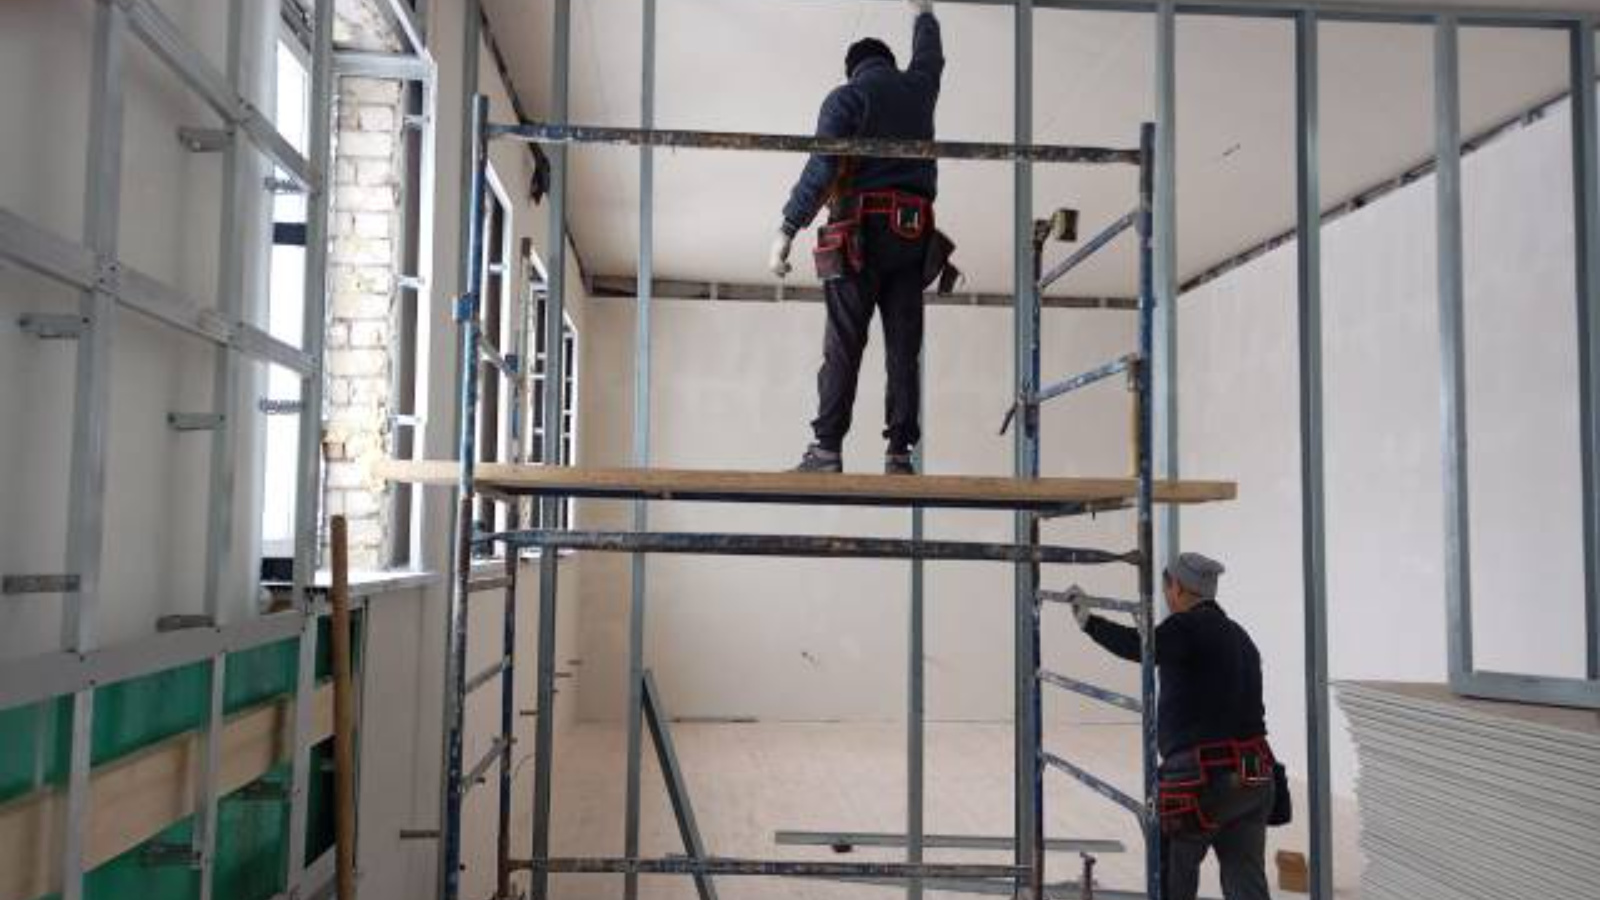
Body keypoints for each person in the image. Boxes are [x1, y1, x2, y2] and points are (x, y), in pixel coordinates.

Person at [768, 0, 951, 476]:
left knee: (844, 344)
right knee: (903, 350)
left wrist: (788, 227)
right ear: (889, 61)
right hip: (912, 235)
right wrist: (924, 14)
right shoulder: (919, 88)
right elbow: (930, 57)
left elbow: (822, 165)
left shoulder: (848, 97)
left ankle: (827, 451)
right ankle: (900, 455)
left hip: (858, 235)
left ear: (853, 69)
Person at [1067, 553, 1275, 900]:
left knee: (1172, 881)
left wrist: (1090, 622)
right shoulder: (1241, 637)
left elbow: (1141, 646)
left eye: (1167, 588)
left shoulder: (1186, 627)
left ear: (1176, 587)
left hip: (1202, 779)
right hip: (1253, 774)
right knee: (1246, 880)